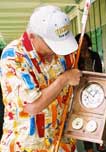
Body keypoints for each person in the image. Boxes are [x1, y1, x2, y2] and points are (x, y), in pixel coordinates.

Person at [0, 5, 82, 151]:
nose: (58, 51)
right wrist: (63, 79)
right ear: (32, 36)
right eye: (52, 44)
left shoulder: (64, 52)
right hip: (26, 146)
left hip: (62, 144)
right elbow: (32, 106)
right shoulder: (14, 56)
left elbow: (76, 86)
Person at [75, 33, 104, 152]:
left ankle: (99, 144)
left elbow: (100, 72)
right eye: (81, 41)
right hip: (82, 91)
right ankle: (88, 148)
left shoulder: (95, 55)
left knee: (98, 118)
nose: (84, 43)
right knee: (85, 120)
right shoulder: (75, 57)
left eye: (85, 40)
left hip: (96, 90)